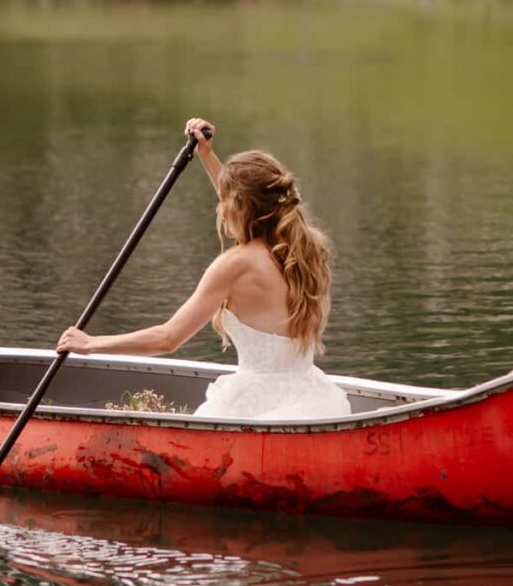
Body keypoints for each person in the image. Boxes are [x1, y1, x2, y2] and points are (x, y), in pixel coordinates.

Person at [56, 118, 351, 421]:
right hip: (314, 400)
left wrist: (90, 344)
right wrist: (206, 155)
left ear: (239, 205)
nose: (219, 208)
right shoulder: (306, 249)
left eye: (225, 201)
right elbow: (248, 199)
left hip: (257, 407)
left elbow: (168, 338)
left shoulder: (235, 265)